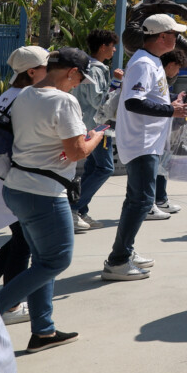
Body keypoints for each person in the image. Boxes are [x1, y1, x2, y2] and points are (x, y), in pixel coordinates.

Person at [0, 48, 105, 352]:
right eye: (81, 77)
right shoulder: (63, 100)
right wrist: (98, 136)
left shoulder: (25, 94)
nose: (80, 84)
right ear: (70, 72)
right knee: (57, 260)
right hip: (43, 193)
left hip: (16, 187)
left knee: (43, 260)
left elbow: (38, 138)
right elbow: (77, 152)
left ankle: (43, 331)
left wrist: (70, 145)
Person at [103, 15, 187, 282]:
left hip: (146, 141)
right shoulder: (143, 62)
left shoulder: (150, 61)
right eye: (174, 34)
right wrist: (170, 109)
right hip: (141, 142)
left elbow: (146, 98)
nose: (177, 39)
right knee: (141, 201)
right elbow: (133, 101)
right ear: (161, 36)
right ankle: (118, 261)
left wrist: (172, 102)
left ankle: (124, 252)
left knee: (137, 200)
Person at [0, 47, 49, 323]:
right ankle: (10, 306)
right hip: (3, 175)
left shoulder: (9, 93)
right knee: (23, 239)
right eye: (47, 66)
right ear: (32, 71)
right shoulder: (27, 97)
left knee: (20, 237)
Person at [71, 29, 121, 233]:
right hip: (96, 126)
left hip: (91, 123)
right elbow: (98, 100)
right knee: (105, 167)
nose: (114, 49)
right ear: (103, 47)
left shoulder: (88, 66)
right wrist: (116, 84)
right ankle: (73, 208)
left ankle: (80, 209)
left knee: (93, 167)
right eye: (112, 45)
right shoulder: (96, 69)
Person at [150, 49, 187, 219]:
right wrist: (172, 104)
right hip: (151, 130)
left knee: (161, 165)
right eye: (178, 68)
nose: (178, 72)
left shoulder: (160, 77)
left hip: (160, 128)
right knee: (152, 167)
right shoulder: (155, 75)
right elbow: (151, 100)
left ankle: (160, 199)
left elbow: (161, 98)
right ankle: (150, 203)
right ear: (171, 65)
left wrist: (175, 98)